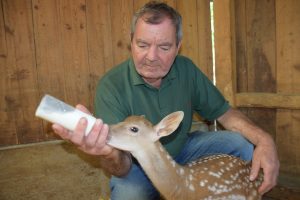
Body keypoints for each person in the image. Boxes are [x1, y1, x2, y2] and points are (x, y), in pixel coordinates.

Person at [52, 1, 279, 199]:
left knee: (241, 145)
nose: (152, 57)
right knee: (129, 196)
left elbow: (224, 113)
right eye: (142, 45)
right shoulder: (111, 85)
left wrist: (265, 140)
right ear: (131, 42)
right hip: (137, 164)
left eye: (164, 47)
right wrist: (107, 153)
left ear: (178, 47)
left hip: (184, 148)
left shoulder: (186, 69)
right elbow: (121, 165)